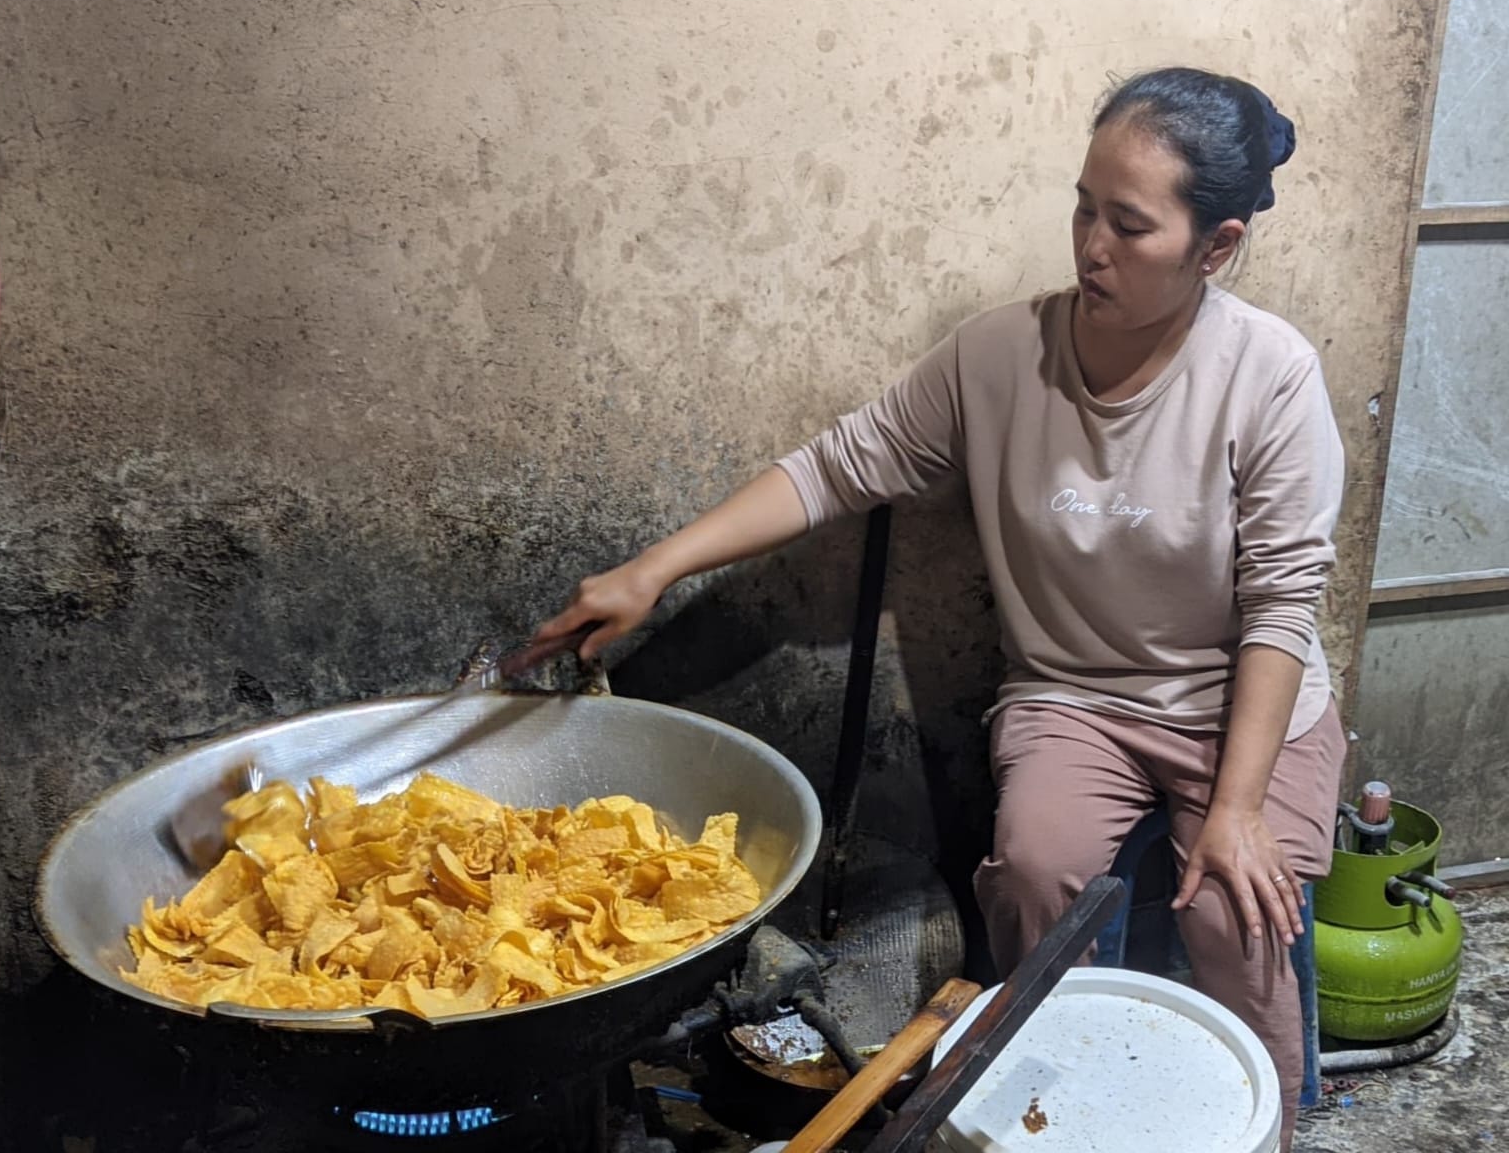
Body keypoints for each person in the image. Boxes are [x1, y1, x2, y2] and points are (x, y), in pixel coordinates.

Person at [534, 66, 1345, 1150]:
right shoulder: (999, 354)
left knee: (1232, 907)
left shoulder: (1269, 376)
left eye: (1129, 225)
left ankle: (1264, 1126)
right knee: (1036, 868)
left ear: (1217, 245)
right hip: (1075, 697)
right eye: (1082, 207)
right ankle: (1059, 1117)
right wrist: (653, 570)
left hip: (1242, 706)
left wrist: (1237, 808)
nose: (1089, 244)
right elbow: (834, 468)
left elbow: (1281, 605)